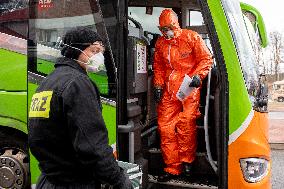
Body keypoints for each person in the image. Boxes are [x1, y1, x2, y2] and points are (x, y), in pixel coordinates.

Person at [28, 27, 133, 189]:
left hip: (49, 180)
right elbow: (93, 147)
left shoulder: (47, 82)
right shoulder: (78, 84)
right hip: (75, 182)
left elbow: (36, 138)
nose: (99, 56)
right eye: (94, 50)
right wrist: (119, 180)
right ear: (75, 50)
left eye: (101, 51)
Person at [153, 9, 213, 181]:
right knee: (165, 128)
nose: (166, 32)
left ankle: (187, 162)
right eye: (163, 29)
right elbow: (158, 66)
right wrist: (157, 84)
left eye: (168, 28)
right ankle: (172, 168)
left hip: (189, 89)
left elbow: (206, 59)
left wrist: (198, 76)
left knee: (186, 123)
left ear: (175, 25)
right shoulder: (161, 43)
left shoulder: (191, 37)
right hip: (170, 91)